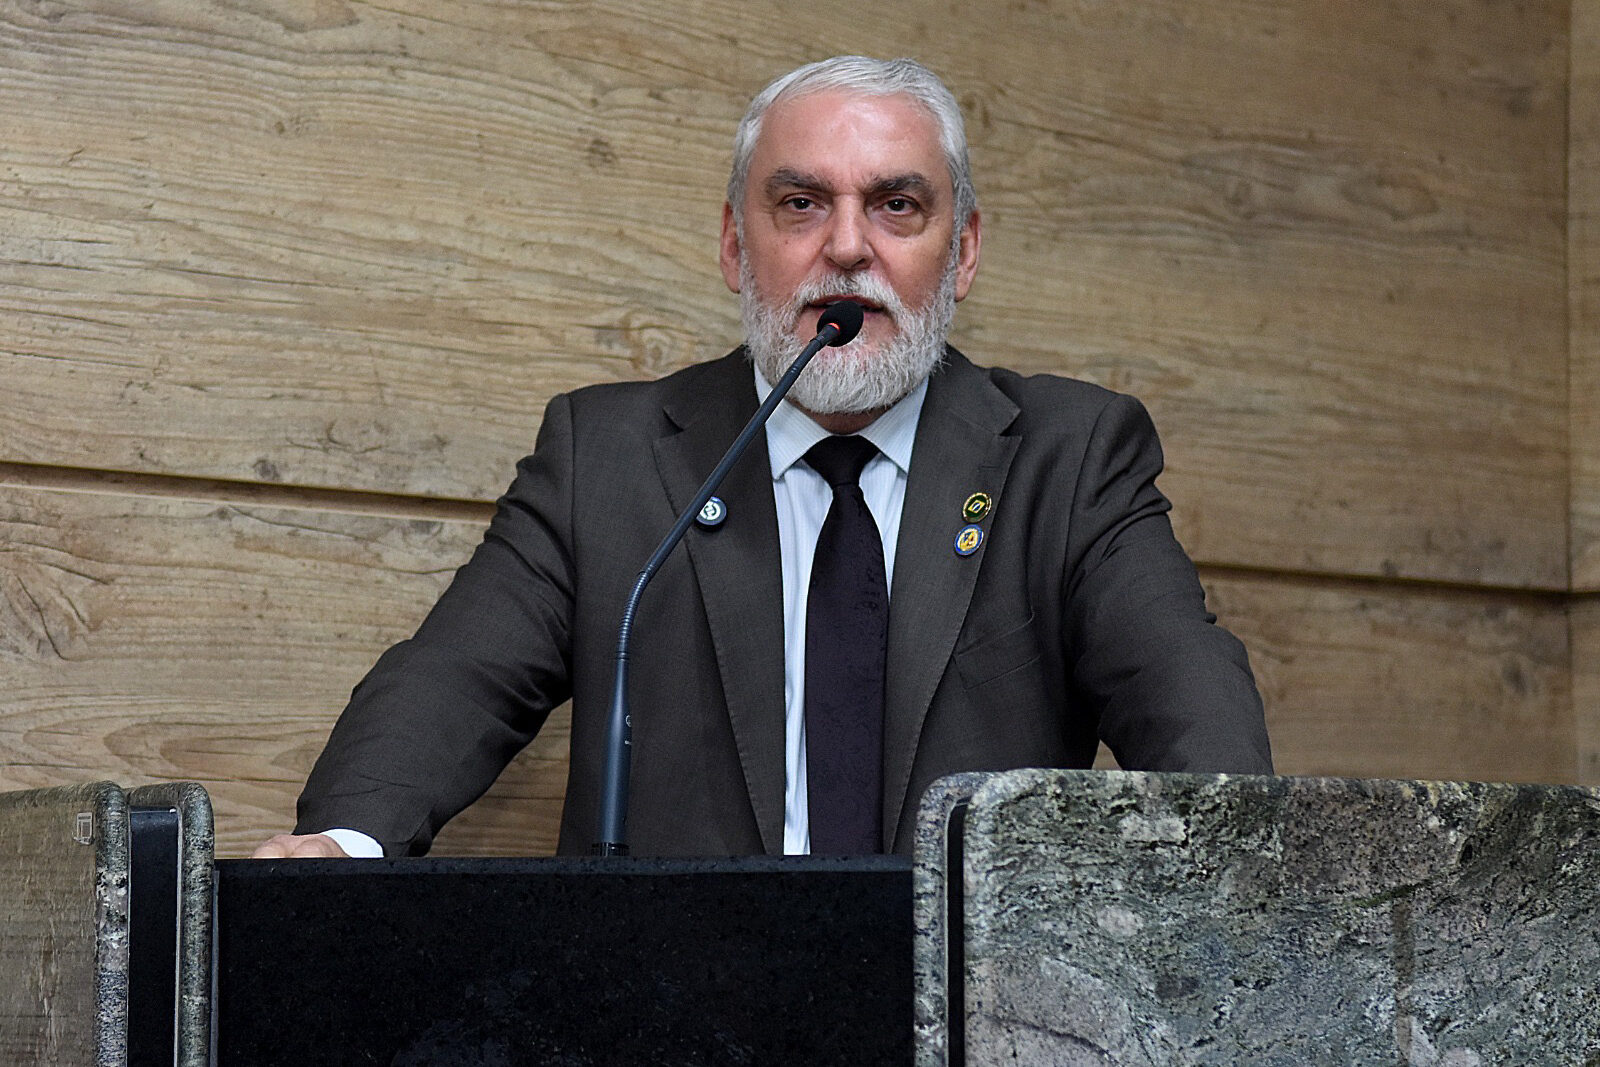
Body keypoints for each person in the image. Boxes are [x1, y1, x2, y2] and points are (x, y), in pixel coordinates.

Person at [255, 55, 1271, 861]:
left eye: (896, 205)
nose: (847, 247)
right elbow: (451, 681)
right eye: (800, 204)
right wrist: (345, 843)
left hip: (974, 1012)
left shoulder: (1070, 459)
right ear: (736, 249)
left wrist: (1242, 876)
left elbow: (1194, 718)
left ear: (961, 251)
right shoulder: (607, 456)